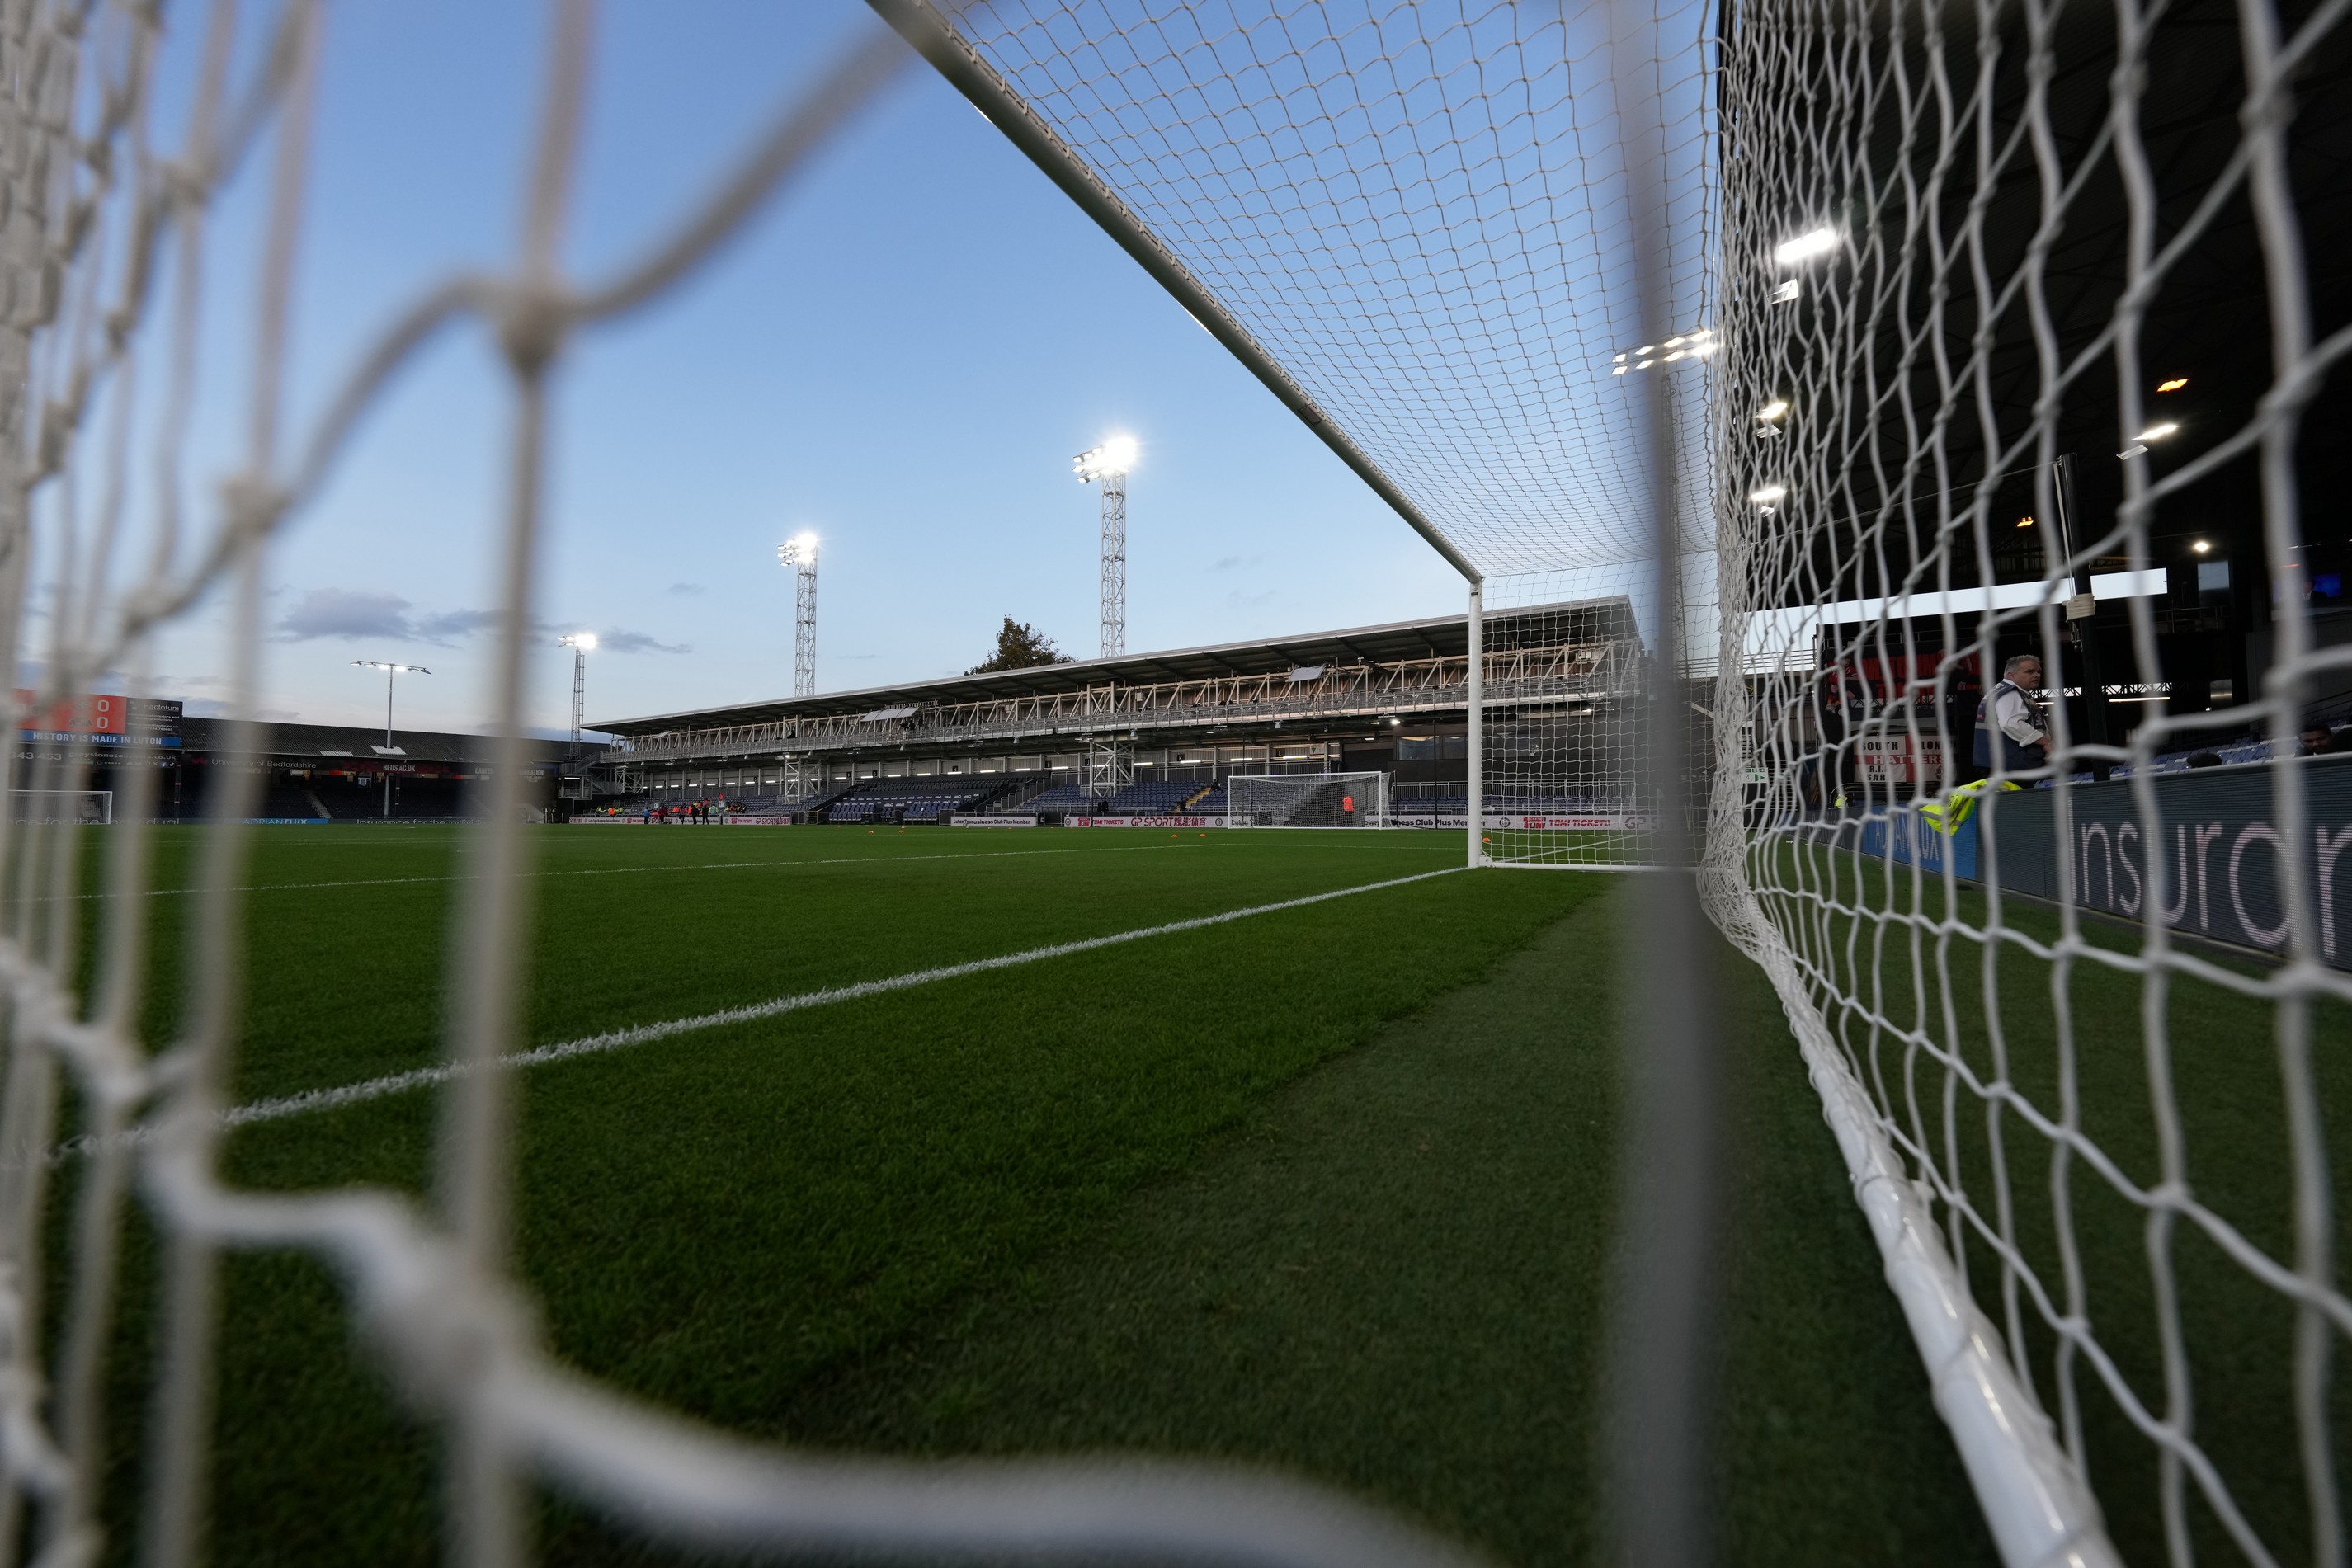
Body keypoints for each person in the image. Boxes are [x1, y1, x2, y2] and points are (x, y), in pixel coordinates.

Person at [1974, 652, 2053, 774]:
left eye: (2038, 671)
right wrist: (2046, 743)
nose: (2037, 675)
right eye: (2030, 672)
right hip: (2013, 764)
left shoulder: (2001, 691)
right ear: (2011, 675)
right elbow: (2011, 723)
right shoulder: (2010, 693)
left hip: (2001, 762)